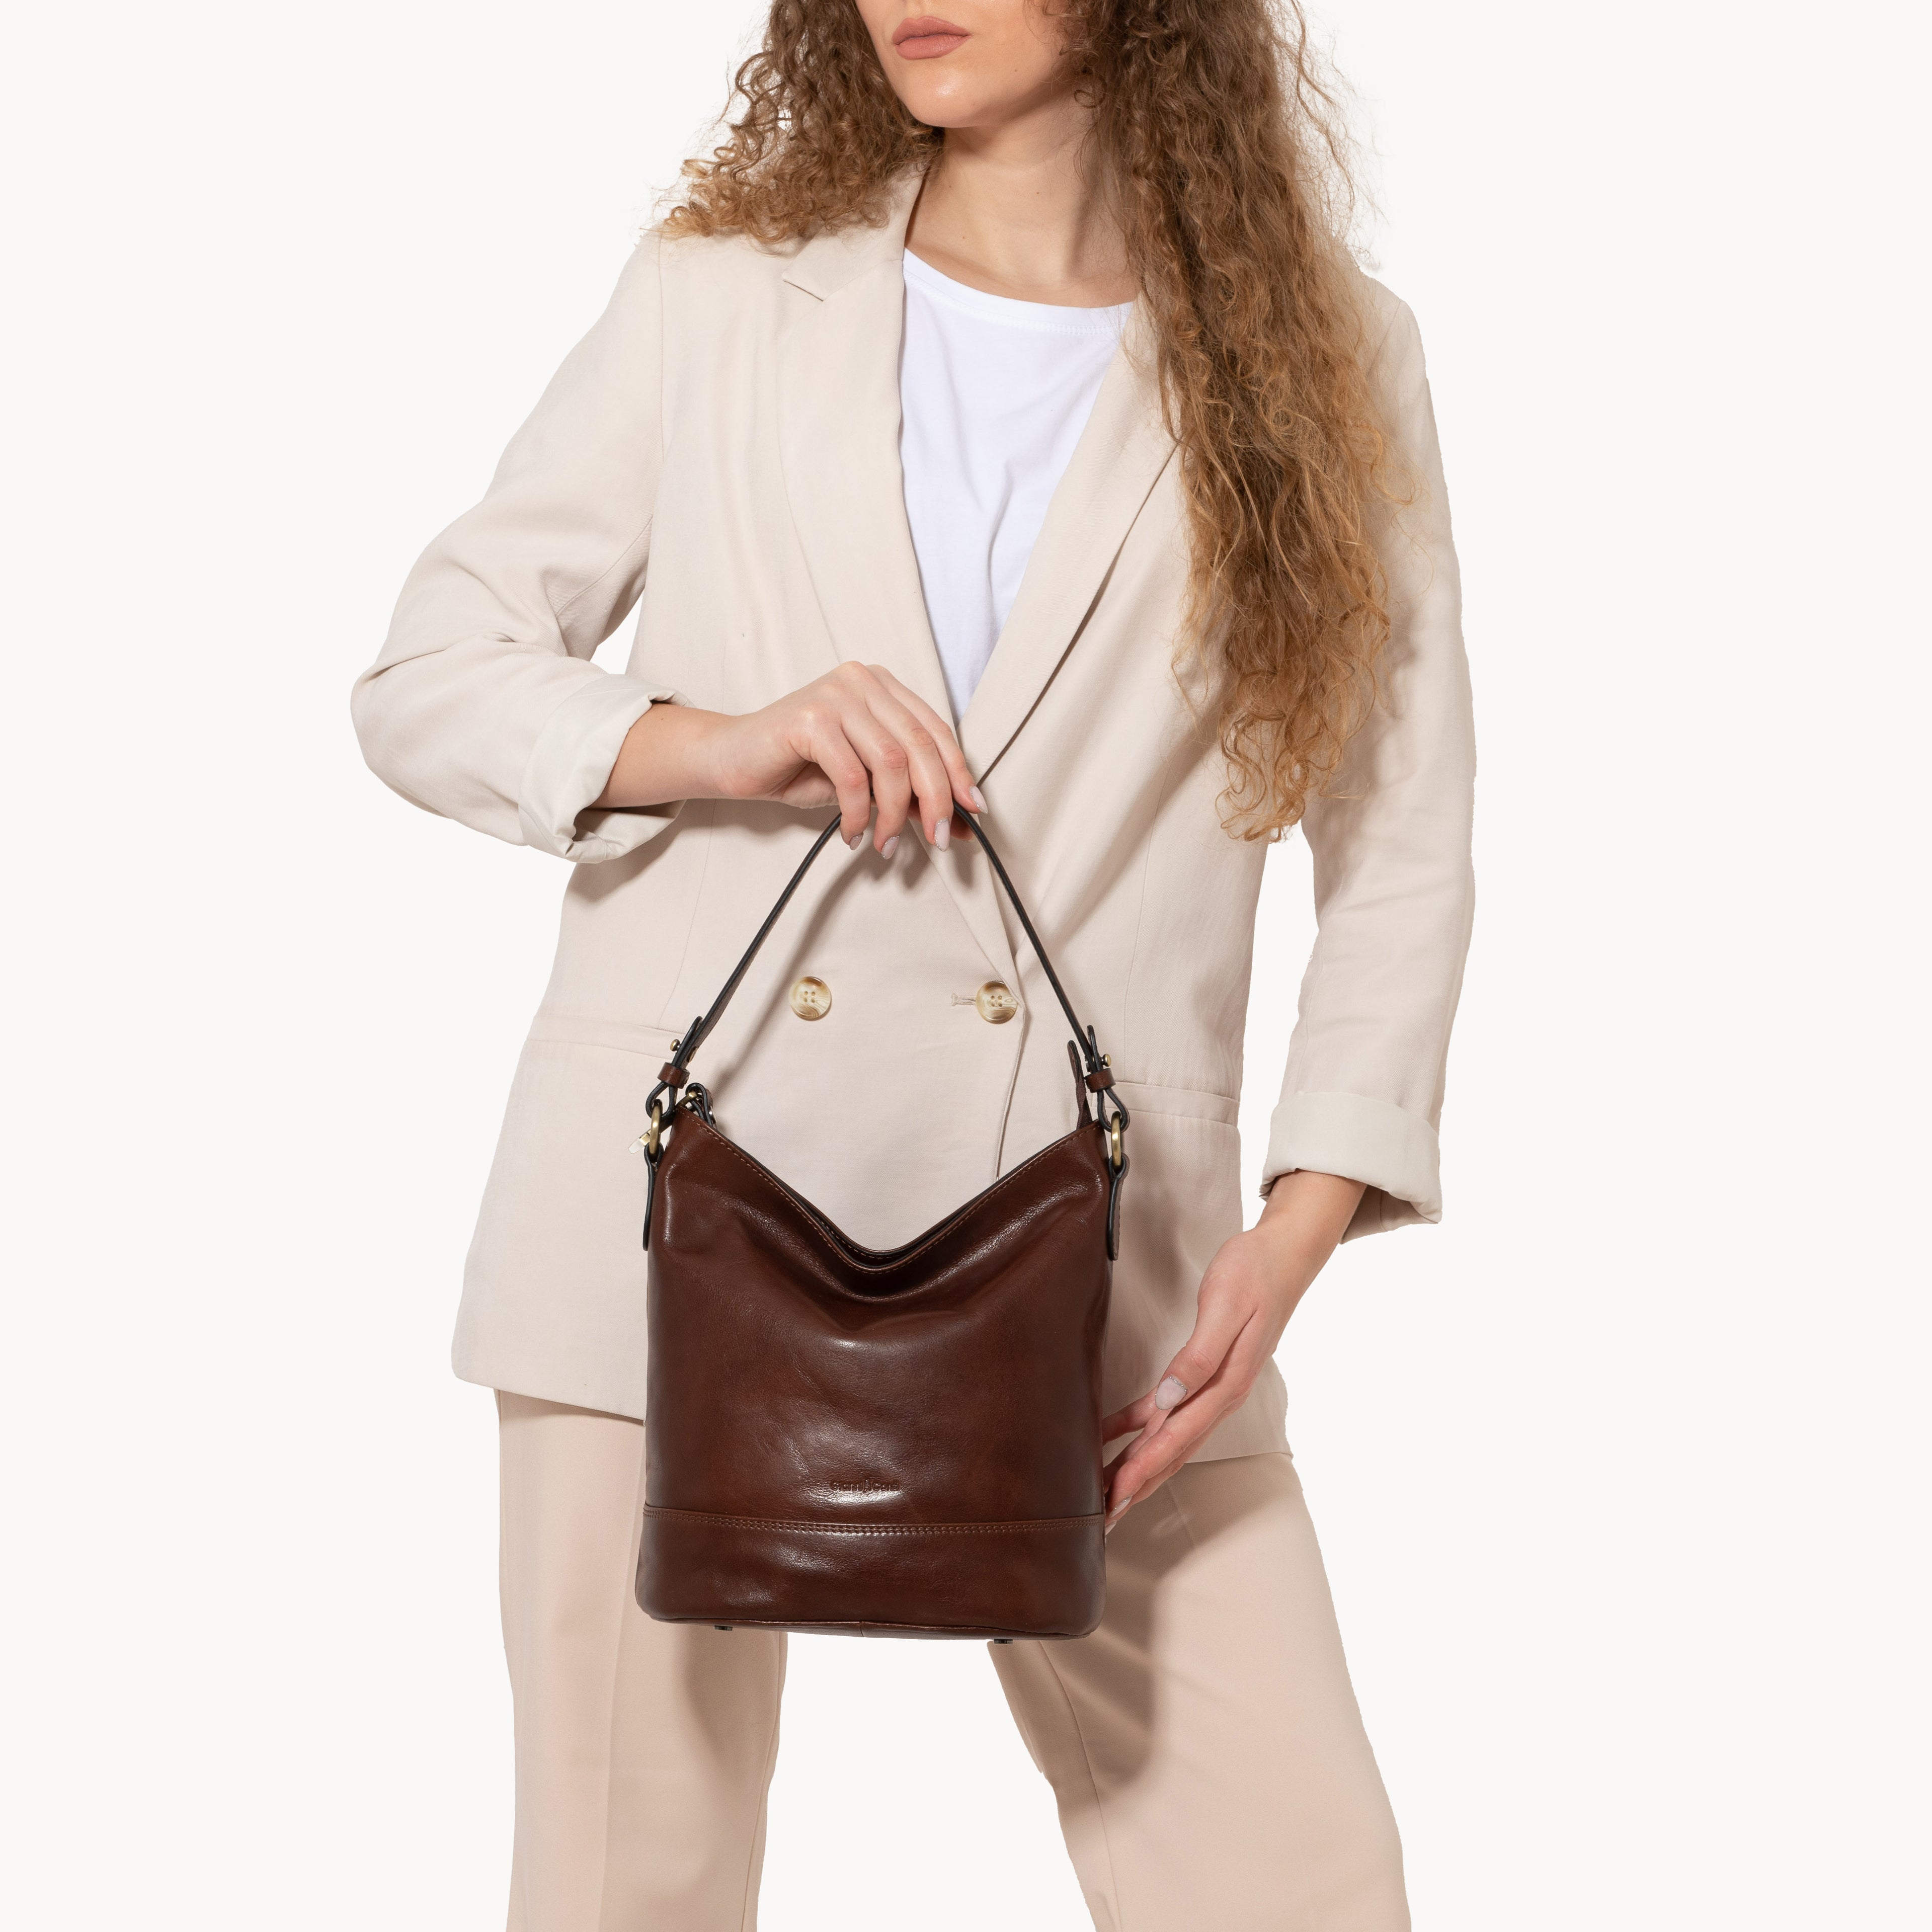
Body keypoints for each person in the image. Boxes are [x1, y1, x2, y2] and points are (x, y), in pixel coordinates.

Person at [353, 2, 1473, 1925]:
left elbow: (1404, 842)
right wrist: (716, 739)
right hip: (662, 1231)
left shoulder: (1328, 352)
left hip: (1111, 1261)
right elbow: (428, 680)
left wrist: (1290, 1234)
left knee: (1304, 1881)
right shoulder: (722, 296)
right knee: (634, 1892)